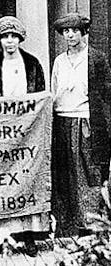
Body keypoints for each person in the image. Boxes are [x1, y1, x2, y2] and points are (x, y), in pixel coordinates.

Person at [0, 16, 47, 257]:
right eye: (5, 37)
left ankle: (29, 236)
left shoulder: (32, 64)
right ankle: (5, 237)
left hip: (27, 132)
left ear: (20, 39)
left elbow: (40, 97)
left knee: (25, 178)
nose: (9, 41)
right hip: (1, 133)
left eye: (13, 37)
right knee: (3, 181)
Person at [51, 13, 111, 237]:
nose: (70, 35)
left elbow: (105, 95)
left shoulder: (96, 58)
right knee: (65, 173)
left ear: (83, 32)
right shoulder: (59, 61)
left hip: (86, 121)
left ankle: (90, 224)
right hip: (62, 121)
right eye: (66, 31)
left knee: (88, 173)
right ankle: (67, 226)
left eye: (74, 31)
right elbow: (55, 91)